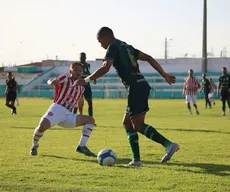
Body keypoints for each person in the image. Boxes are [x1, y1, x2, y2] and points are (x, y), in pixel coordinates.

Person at [73, 27, 179, 167]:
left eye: (100, 41)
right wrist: (164, 75)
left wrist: (85, 80)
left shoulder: (112, 47)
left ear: (106, 37)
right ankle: (136, 160)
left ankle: (168, 145)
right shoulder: (126, 46)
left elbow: (105, 67)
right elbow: (148, 58)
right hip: (140, 86)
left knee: (137, 125)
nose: (101, 45)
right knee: (127, 123)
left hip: (135, 87)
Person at [30, 62, 96, 157]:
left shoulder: (82, 88)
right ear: (70, 71)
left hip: (68, 115)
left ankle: (82, 146)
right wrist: (51, 82)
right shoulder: (65, 77)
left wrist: (80, 113)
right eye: (76, 70)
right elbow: (53, 81)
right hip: (57, 108)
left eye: (80, 70)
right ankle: (35, 145)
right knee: (42, 126)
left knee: (90, 120)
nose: (78, 72)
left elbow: (79, 101)